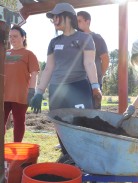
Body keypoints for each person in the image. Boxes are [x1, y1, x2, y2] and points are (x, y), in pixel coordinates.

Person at [30, 3, 101, 161]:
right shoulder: (53, 42)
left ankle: (84, 158)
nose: (54, 20)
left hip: (78, 87)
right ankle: (67, 156)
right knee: (60, 124)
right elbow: (49, 68)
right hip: (57, 89)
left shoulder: (85, 38)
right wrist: (39, 92)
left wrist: (95, 87)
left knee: (82, 124)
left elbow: (89, 64)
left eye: (56, 16)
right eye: (53, 17)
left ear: (68, 17)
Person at [4, 26, 40, 142]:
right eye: (10, 37)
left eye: (15, 36)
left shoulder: (29, 54)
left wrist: (32, 91)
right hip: (3, 95)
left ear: (23, 37)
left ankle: (17, 148)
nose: (12, 39)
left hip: (21, 95)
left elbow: (34, 74)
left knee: (19, 123)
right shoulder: (5, 53)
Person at [77, 11, 110, 109]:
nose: (77, 24)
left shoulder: (96, 38)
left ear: (88, 22)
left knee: (94, 113)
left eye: (79, 21)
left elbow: (105, 59)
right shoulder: (75, 39)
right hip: (78, 82)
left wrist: (99, 75)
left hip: (93, 84)